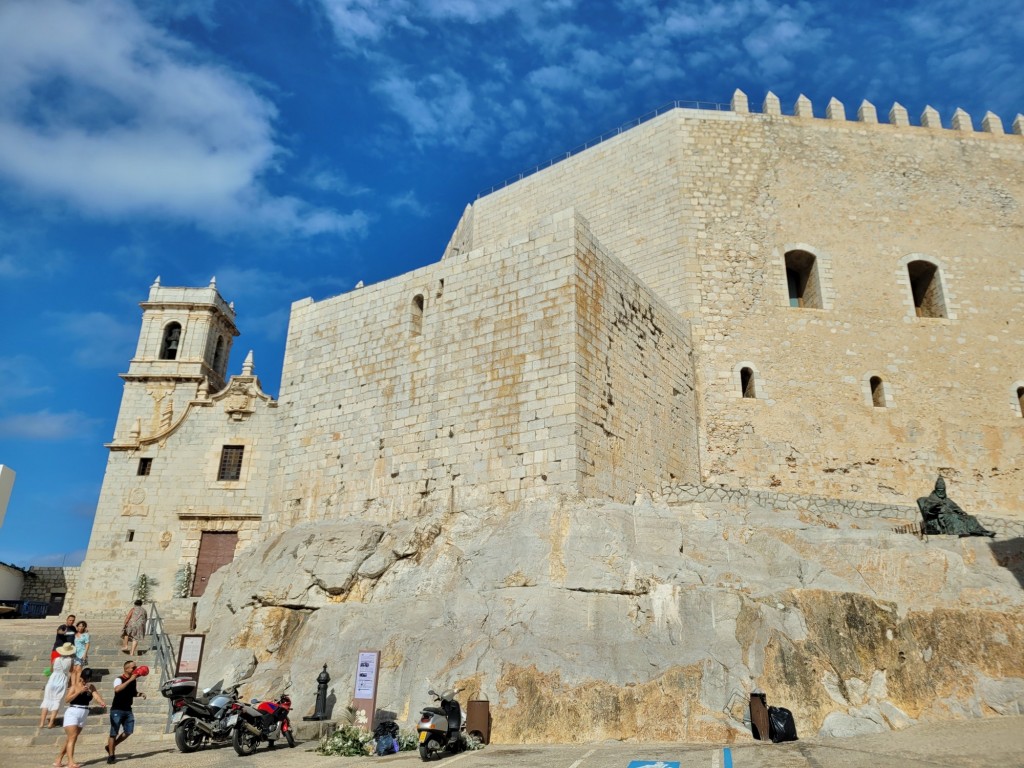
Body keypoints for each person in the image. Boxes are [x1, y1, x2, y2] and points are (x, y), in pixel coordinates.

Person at [55, 667, 106, 768]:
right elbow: (67, 699)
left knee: (71, 738)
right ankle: (70, 762)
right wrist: (79, 691)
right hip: (73, 711)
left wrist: (101, 702)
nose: (86, 681)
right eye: (85, 679)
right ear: (81, 677)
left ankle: (58, 759)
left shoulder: (91, 687)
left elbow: (96, 696)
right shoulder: (74, 686)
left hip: (84, 712)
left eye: (88, 679)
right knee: (72, 738)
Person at [917, 476, 996, 537]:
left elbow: (955, 507)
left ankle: (981, 532)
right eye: (939, 490)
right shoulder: (931, 499)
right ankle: (965, 532)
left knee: (971, 518)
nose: (941, 492)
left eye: (942, 490)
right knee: (954, 518)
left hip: (953, 515)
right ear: (936, 489)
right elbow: (927, 510)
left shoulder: (947, 500)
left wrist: (962, 512)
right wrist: (934, 507)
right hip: (942, 518)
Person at [107, 659, 146, 764]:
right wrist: (130, 680)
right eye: (133, 668)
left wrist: (140, 694)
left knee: (128, 731)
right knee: (113, 733)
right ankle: (111, 755)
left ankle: (112, 745)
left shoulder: (134, 680)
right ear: (126, 669)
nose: (135, 669)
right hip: (117, 709)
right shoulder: (118, 679)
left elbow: (133, 692)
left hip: (128, 709)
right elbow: (117, 690)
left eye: (135, 667)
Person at [39, 642, 76, 728]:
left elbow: (51, 670)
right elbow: (71, 671)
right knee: (56, 702)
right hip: (62, 681)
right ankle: (51, 722)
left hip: (52, 680)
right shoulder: (71, 660)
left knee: (46, 701)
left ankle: (41, 723)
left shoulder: (55, 659)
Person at [71, 621, 90, 686]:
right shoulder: (74, 634)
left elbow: (87, 644)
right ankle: (73, 684)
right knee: (73, 669)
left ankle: (77, 684)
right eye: (79, 626)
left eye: (82, 626)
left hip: (81, 652)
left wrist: (85, 653)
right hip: (74, 653)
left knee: (78, 669)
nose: (81, 627)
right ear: (77, 626)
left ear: (84, 627)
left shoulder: (86, 635)